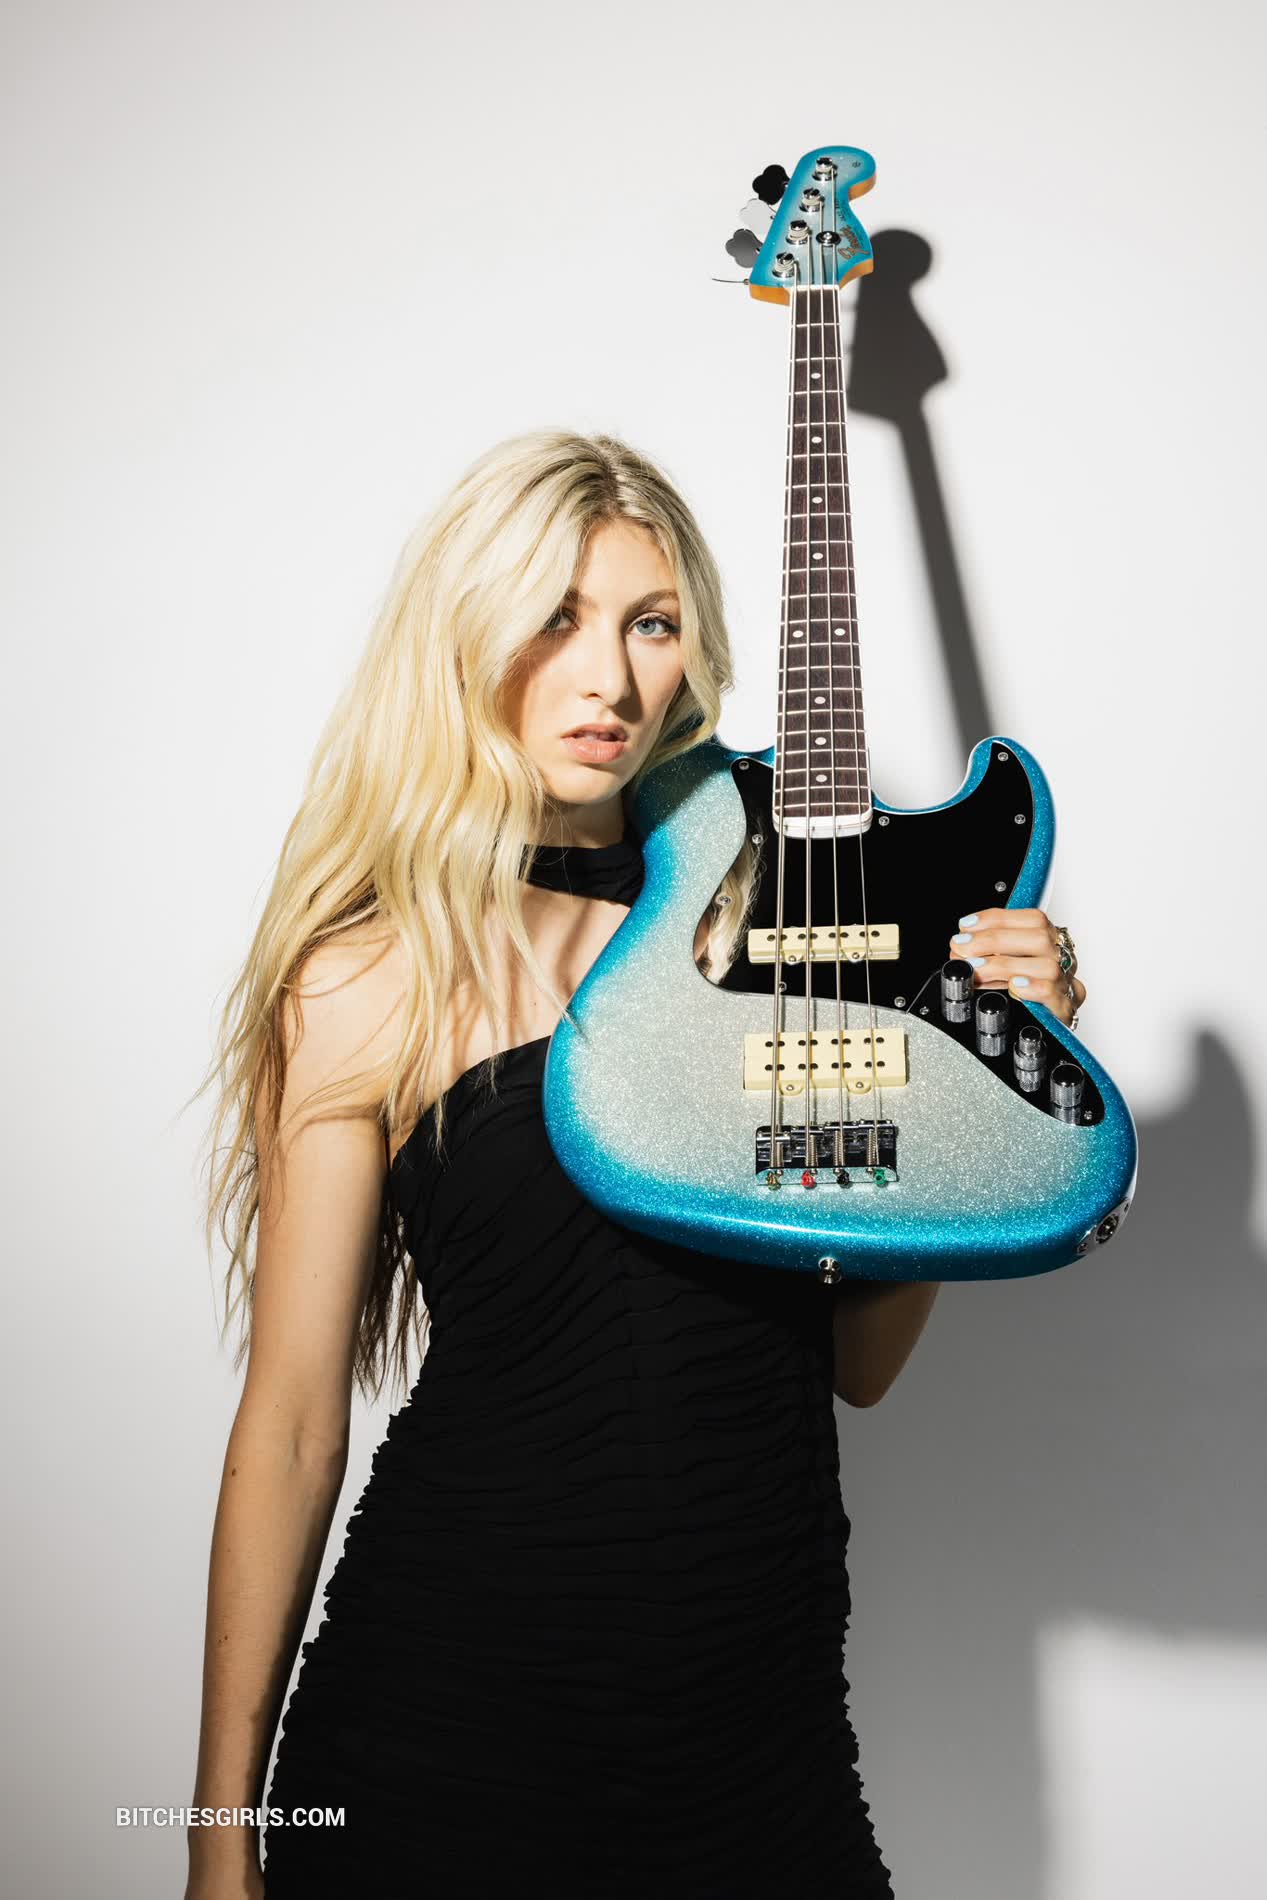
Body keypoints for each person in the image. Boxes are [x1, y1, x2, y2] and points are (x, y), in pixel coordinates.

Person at [184, 429, 1088, 1899]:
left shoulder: (789, 957)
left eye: (650, 623)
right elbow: (288, 1428)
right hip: (444, 1736)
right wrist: (223, 1844)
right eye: (555, 617)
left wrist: (968, 1076)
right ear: (467, 632)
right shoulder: (366, 978)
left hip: (763, 1753)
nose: (606, 676)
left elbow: (858, 1366)